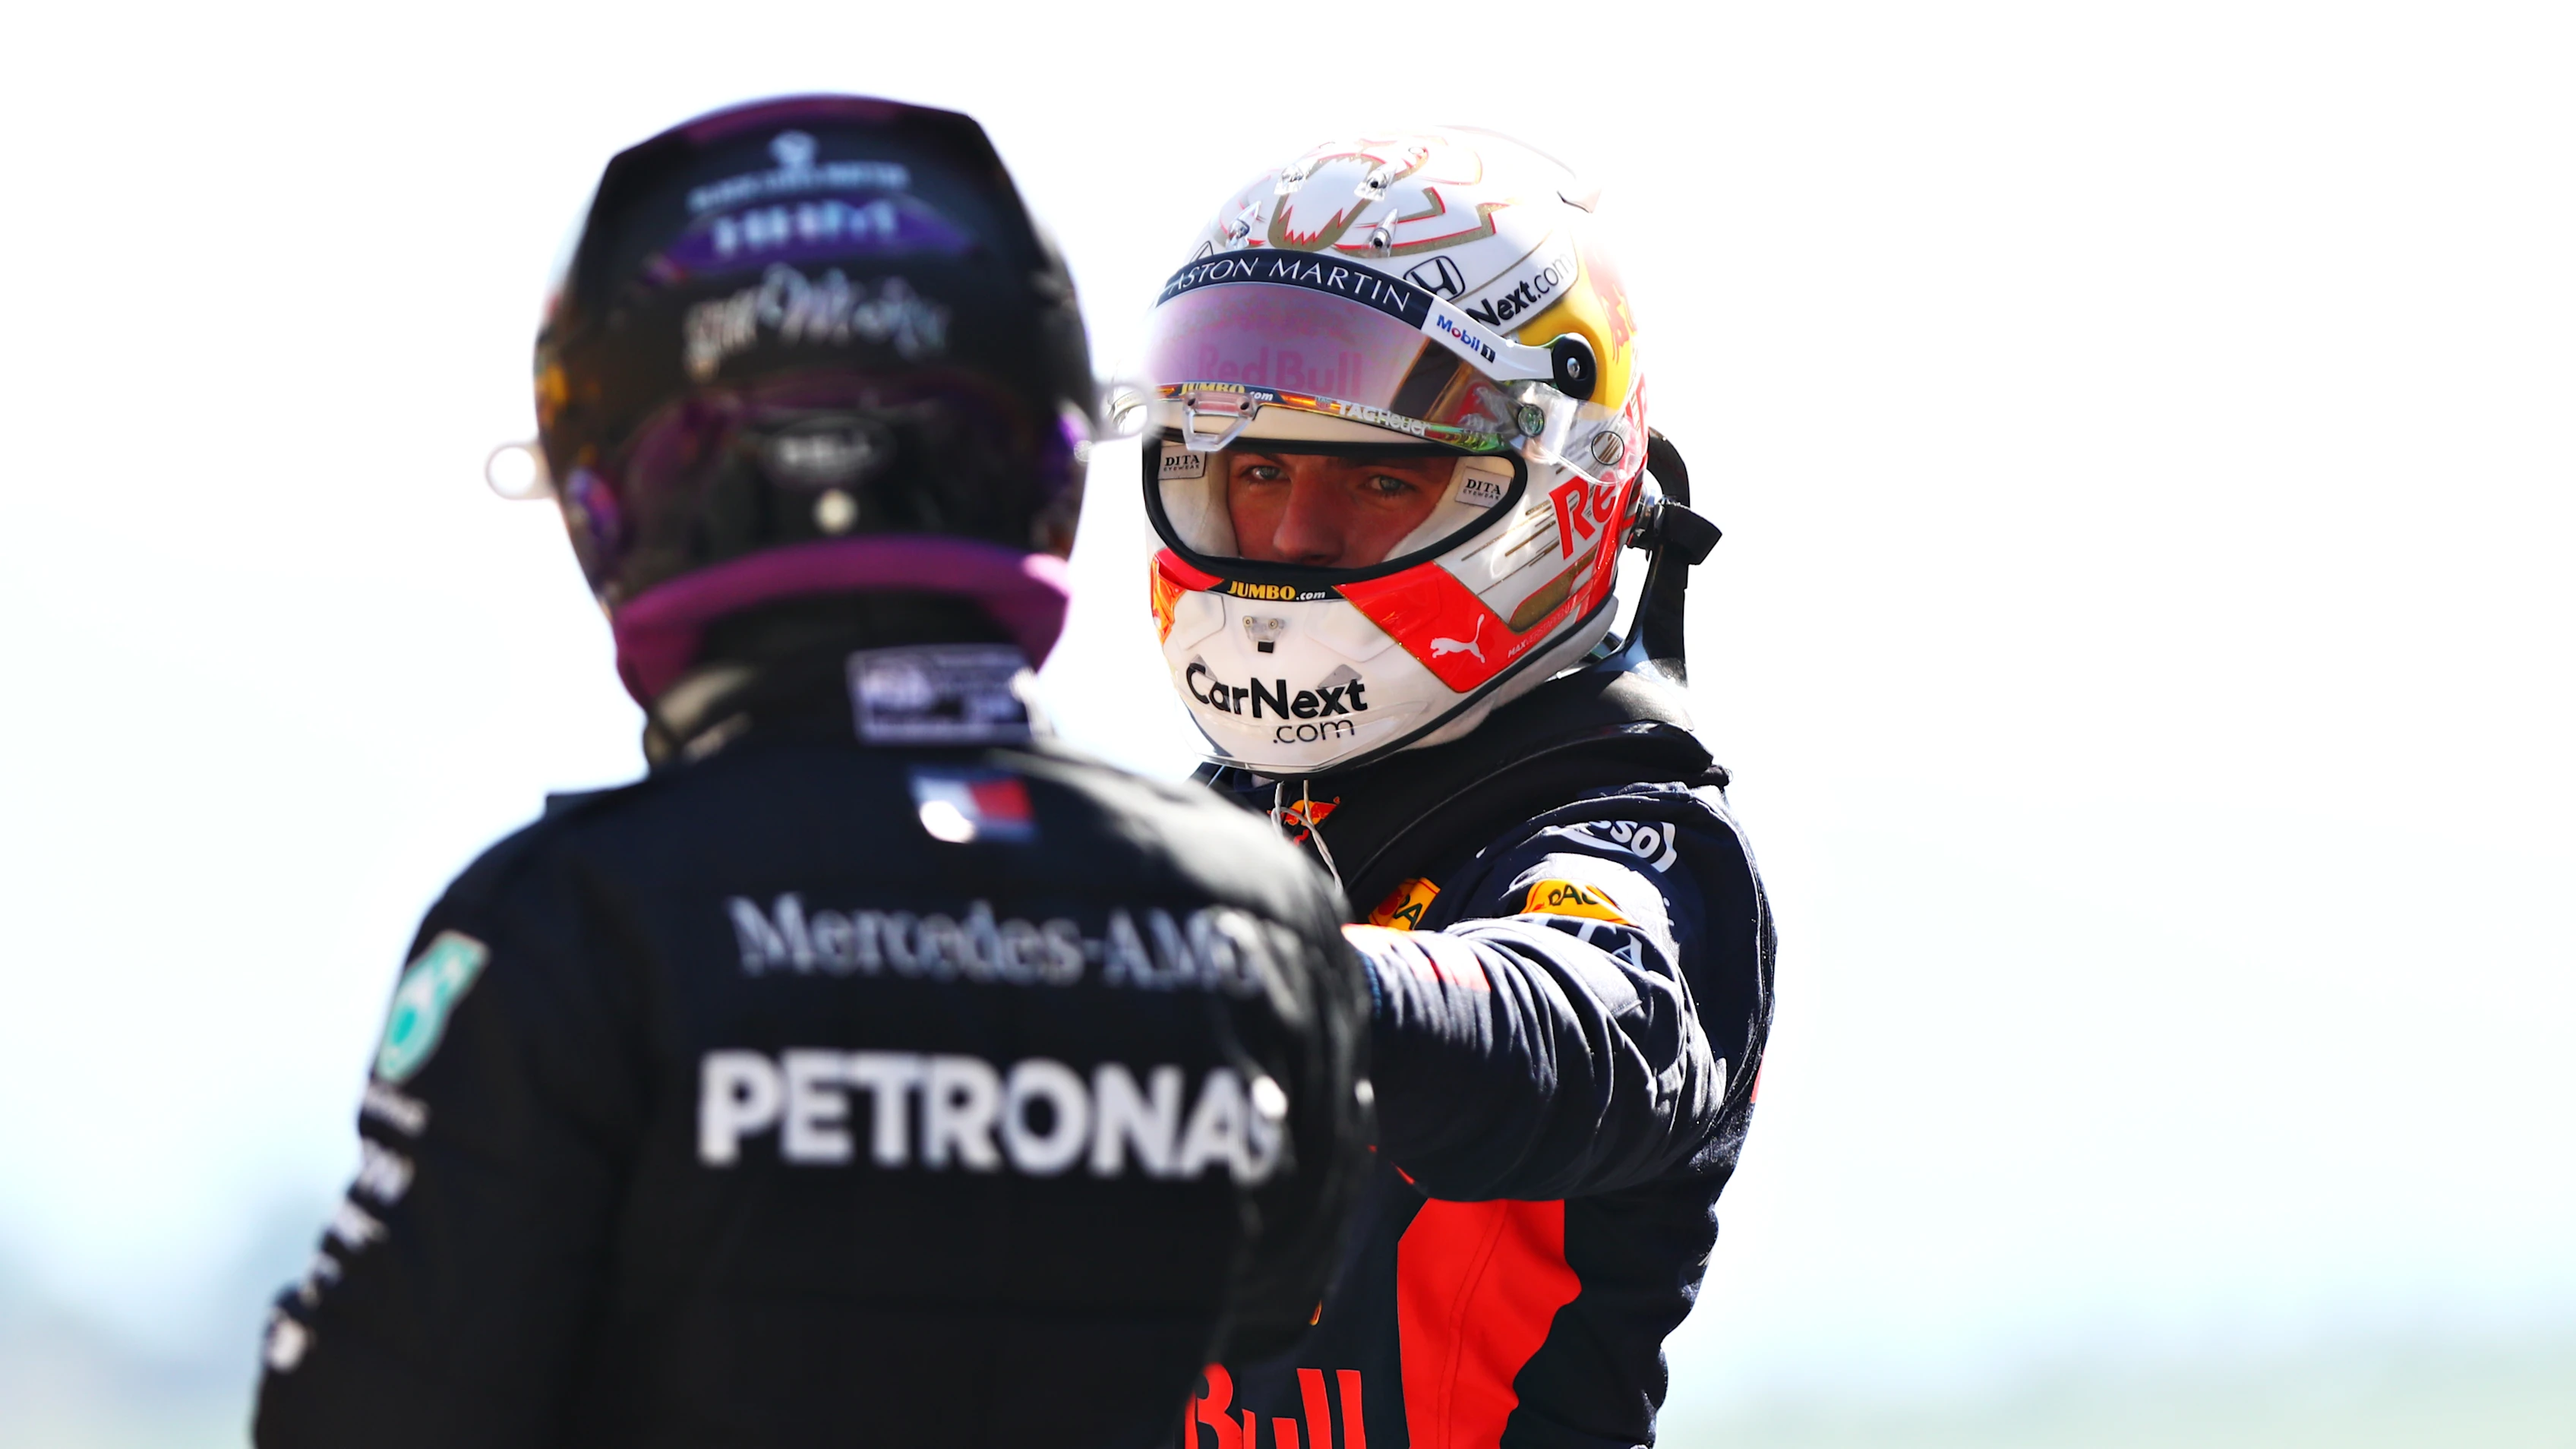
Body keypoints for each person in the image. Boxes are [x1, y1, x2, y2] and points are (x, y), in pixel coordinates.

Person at [252, 95, 1372, 1449]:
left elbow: (367, 1415)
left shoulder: (566, 926)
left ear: (609, 496)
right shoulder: (1257, 917)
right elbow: (1265, 1307)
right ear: (1049, 456)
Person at [1135, 130, 1776, 1447]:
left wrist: (1241, 980)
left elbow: (1578, 1026)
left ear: (1561, 488)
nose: (1296, 539)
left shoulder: (1639, 839)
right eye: (1257, 471)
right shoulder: (1200, 843)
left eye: (1378, 475)